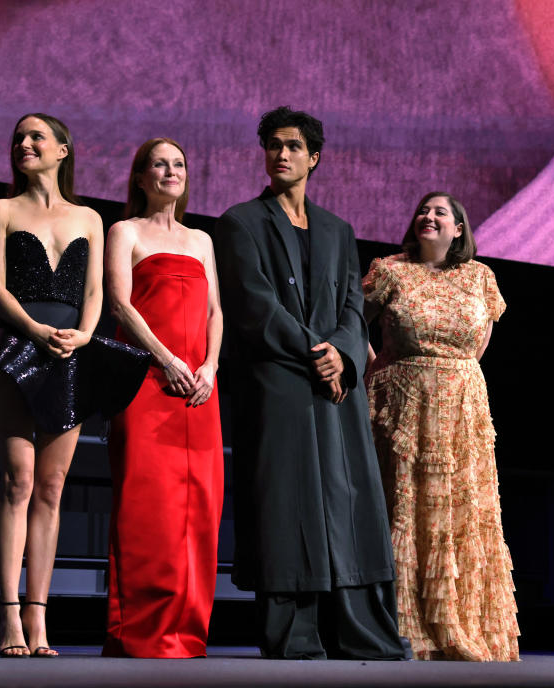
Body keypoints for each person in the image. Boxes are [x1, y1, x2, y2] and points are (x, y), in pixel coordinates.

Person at [0, 113, 150, 657]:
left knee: (52, 489)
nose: (23, 144)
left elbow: (98, 290)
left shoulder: (89, 217)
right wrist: (33, 328)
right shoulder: (0, 210)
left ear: (63, 150)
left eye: (36, 137)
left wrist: (84, 335)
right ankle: (8, 616)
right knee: (19, 480)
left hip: (71, 350)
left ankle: (40, 621)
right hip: (16, 346)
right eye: (18, 138)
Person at [213, 106, 410, 660]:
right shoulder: (241, 222)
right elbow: (254, 304)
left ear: (314, 157)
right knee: (287, 502)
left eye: (293, 146)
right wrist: (313, 351)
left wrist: (343, 355)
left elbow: (354, 305)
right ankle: (295, 634)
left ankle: (354, 629)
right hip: (279, 380)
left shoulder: (338, 230)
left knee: (347, 500)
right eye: (273, 145)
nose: (282, 154)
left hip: (337, 386)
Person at [362, 191, 519, 660]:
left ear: (458, 229)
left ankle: (460, 625)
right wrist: (381, 368)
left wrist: (450, 379)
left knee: (459, 516)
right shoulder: (389, 270)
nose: (428, 217)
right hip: (403, 408)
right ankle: (399, 626)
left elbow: (478, 345)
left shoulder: (480, 278)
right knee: (403, 511)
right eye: (423, 211)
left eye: (440, 212)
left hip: (463, 413)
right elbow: (351, 324)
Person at [103, 137, 224, 658]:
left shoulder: (201, 239)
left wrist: (210, 367)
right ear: (140, 177)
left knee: (200, 509)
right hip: (148, 383)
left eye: (178, 164)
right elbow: (119, 303)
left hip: (198, 389)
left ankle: (188, 632)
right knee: (146, 505)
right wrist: (164, 358)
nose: (170, 171)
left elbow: (216, 311)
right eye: (159, 164)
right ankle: (140, 632)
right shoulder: (124, 231)